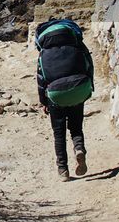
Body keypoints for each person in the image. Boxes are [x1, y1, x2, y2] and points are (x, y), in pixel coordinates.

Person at [35, 18, 95, 179]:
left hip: (55, 96)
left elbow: (41, 80)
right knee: (76, 127)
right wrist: (90, 86)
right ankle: (79, 148)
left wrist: (43, 102)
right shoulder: (78, 47)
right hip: (78, 88)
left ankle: (63, 169)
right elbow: (89, 67)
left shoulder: (43, 54)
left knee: (59, 133)